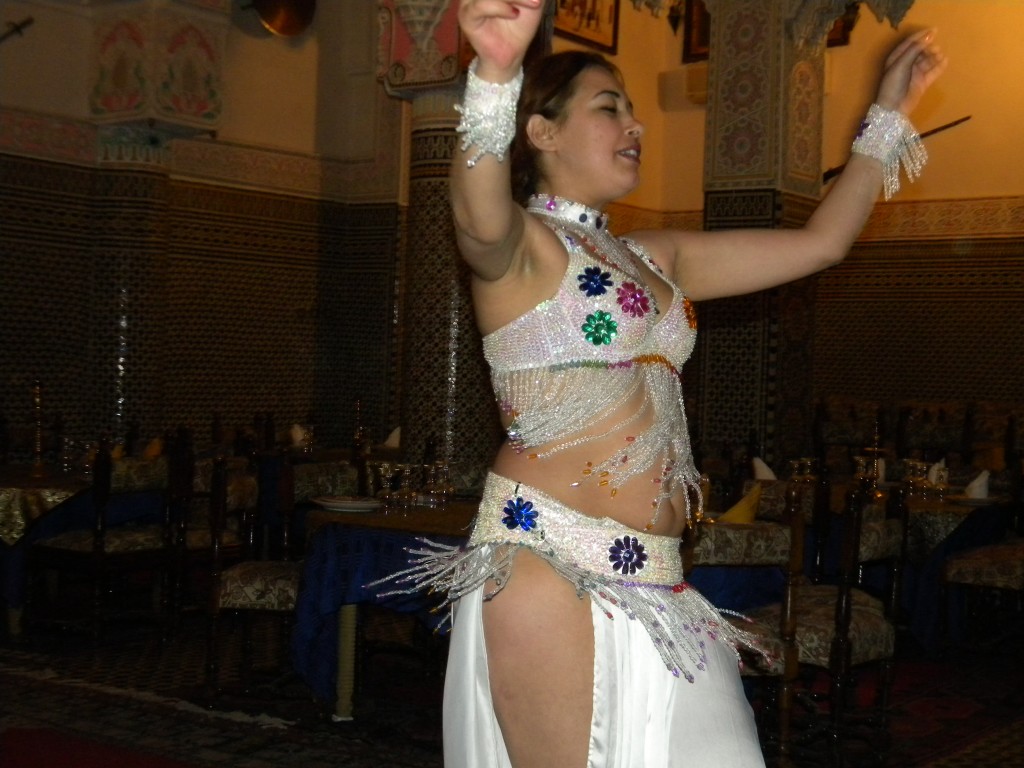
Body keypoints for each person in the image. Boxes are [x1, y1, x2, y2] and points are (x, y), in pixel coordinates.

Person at [385, 1, 947, 765]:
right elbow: (478, 217)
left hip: (660, 578)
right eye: (609, 107)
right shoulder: (525, 249)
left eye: (632, 110)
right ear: (541, 132)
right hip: (548, 564)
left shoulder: (655, 257)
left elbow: (821, 244)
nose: (636, 125)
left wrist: (888, 113)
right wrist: (494, 73)